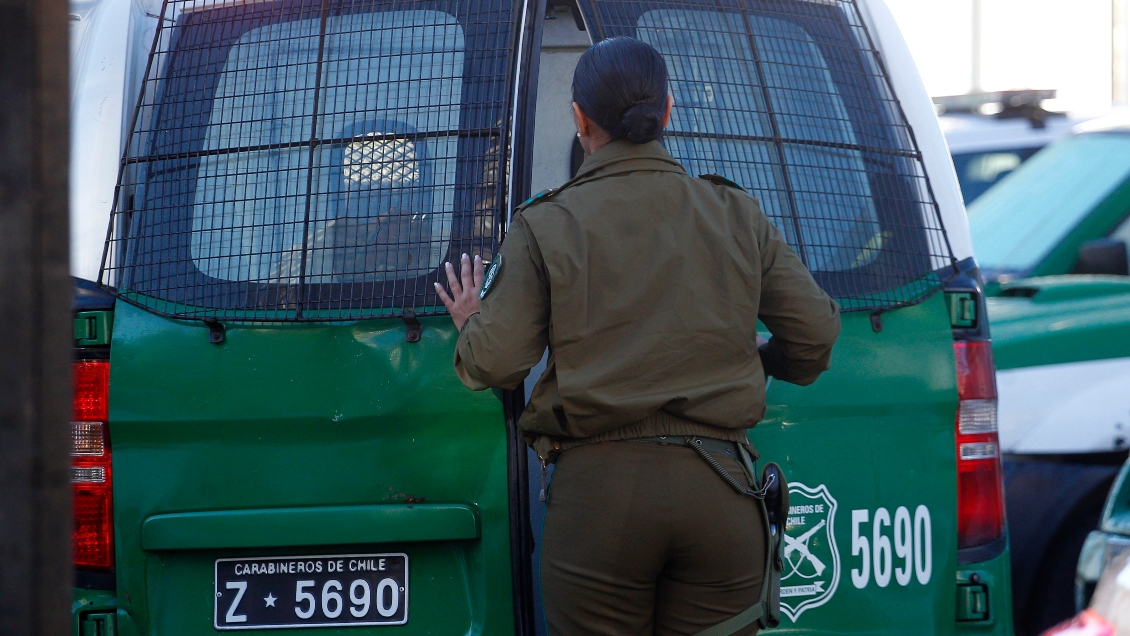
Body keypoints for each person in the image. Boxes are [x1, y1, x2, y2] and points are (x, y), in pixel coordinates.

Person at [435, 37, 840, 636]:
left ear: (579, 120)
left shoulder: (548, 222)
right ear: (668, 112)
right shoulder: (734, 212)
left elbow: (495, 364)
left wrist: (472, 324)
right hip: (722, 493)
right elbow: (815, 335)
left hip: (600, 505)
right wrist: (764, 358)